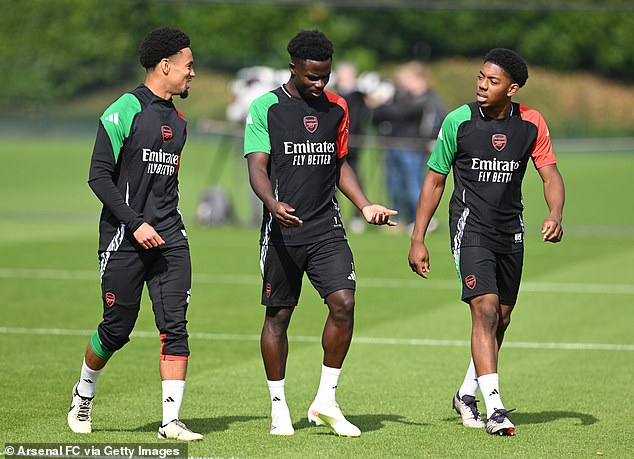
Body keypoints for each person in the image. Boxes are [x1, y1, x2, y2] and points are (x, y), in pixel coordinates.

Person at [244, 29, 397, 437]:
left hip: (326, 227)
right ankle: (279, 407)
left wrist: (364, 204)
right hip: (281, 231)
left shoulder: (337, 108)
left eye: (325, 75)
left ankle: (326, 401)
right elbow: (257, 166)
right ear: (292, 67)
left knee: (344, 303)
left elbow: (339, 162)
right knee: (279, 316)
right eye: (312, 76)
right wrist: (272, 205)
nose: (319, 83)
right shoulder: (266, 108)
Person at [408, 48, 565, 436]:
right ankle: (494, 408)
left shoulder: (531, 122)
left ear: (511, 89)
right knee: (486, 308)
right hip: (469, 227)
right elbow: (435, 180)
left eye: (492, 81)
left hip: (510, 230)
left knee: (502, 318)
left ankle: (466, 394)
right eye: (480, 77)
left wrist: (555, 214)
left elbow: (550, 176)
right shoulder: (458, 121)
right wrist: (417, 237)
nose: (481, 85)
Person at [67, 27, 202, 441]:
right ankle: (83, 392)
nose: (193, 74)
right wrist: (135, 222)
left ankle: (170, 423)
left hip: (170, 238)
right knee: (116, 327)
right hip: (123, 237)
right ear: (165, 66)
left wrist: (163, 225)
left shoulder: (179, 123)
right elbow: (98, 176)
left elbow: (168, 187)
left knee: (175, 325)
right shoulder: (124, 109)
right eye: (188, 65)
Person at [371, 61, 446, 231]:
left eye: (406, 79)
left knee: (414, 185)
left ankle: (420, 220)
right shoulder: (403, 97)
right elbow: (380, 115)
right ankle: (398, 220)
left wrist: (432, 139)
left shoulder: (427, 99)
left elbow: (403, 113)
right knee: (395, 184)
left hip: (413, 147)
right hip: (395, 145)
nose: (402, 83)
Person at [334, 61, 369, 234]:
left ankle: (358, 214)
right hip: (336, 144)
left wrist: (346, 140)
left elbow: (354, 120)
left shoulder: (356, 96)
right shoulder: (335, 94)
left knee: (353, 177)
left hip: (351, 144)